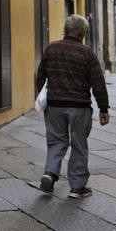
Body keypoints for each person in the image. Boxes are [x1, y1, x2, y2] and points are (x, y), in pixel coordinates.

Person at [35, 14, 110, 199]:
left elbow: (41, 76)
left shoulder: (51, 48)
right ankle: (77, 188)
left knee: (56, 141)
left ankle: (50, 174)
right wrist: (103, 108)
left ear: (65, 30)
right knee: (79, 144)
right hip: (79, 107)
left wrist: (43, 97)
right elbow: (98, 83)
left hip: (55, 105)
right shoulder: (87, 53)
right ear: (82, 32)